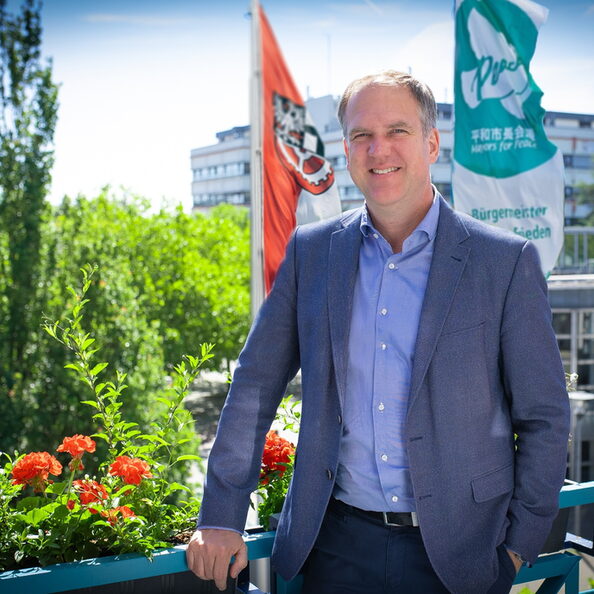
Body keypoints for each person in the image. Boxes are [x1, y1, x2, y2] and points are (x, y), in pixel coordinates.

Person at [186, 71, 570, 594]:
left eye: (398, 131)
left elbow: (545, 417)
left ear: (432, 142)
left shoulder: (503, 262)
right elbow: (254, 385)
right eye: (362, 136)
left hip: (463, 557)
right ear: (346, 151)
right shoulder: (312, 252)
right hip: (337, 546)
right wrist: (221, 514)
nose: (378, 149)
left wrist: (519, 544)